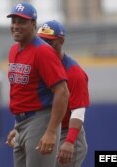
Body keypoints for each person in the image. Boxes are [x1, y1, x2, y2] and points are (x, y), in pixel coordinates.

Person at [5, 2, 69, 167]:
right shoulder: (14, 50)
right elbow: (22, 90)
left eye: (21, 21)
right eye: (14, 21)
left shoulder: (43, 51)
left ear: (33, 24)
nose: (16, 26)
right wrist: (18, 127)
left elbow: (62, 92)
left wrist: (51, 131)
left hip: (40, 120)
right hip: (21, 122)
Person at [37, 20, 90, 167]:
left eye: (49, 42)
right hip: (45, 129)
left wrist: (69, 142)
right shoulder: (39, 66)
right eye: (40, 42)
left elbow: (78, 111)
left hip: (66, 133)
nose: (44, 46)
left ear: (60, 41)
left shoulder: (74, 72)